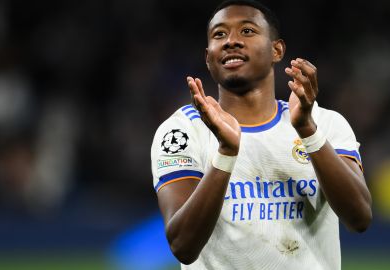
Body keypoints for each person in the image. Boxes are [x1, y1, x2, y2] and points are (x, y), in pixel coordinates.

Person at [150, 0, 372, 269]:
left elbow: (359, 218)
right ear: (209, 58)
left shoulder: (324, 123)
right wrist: (226, 154)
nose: (231, 41)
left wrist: (308, 132)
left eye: (247, 31)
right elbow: (183, 246)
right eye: (220, 34)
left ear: (276, 50)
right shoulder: (183, 131)